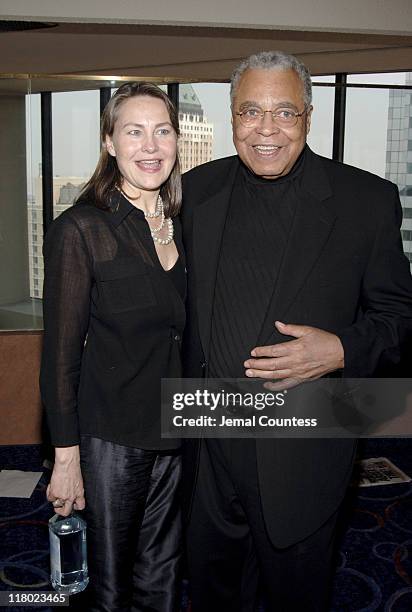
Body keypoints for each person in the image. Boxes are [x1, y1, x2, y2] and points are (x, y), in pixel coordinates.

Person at [181, 51, 412, 611]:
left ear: (308, 117)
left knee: (295, 595)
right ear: (231, 117)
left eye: (283, 113)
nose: (265, 129)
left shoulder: (366, 200)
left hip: (305, 439)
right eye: (250, 112)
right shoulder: (193, 192)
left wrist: (339, 348)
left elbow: (401, 317)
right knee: (211, 591)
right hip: (204, 436)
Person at [40, 82, 185, 612]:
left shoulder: (180, 225)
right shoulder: (81, 229)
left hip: (175, 432)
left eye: (162, 131)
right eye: (134, 132)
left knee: (162, 578)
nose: (150, 146)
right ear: (109, 142)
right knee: (107, 588)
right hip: (111, 441)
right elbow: (59, 355)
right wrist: (66, 458)